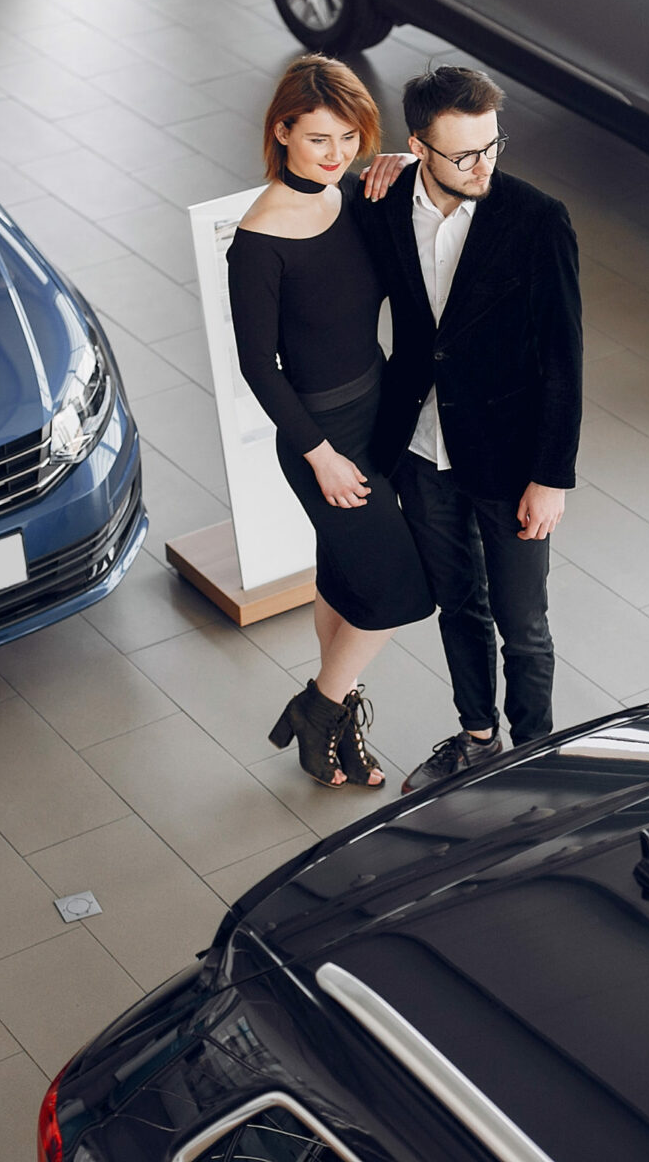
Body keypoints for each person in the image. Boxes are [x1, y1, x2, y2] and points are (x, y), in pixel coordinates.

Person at [354, 66, 583, 794]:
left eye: (492, 146)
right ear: (418, 146)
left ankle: (537, 754)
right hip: (420, 452)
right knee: (459, 604)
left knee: (525, 624)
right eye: (463, 154)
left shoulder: (538, 218)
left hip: (513, 459)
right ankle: (479, 738)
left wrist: (551, 477)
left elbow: (564, 357)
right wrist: (370, 165)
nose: (483, 166)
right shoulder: (383, 206)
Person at [227, 56, 433, 789]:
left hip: (378, 411)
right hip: (323, 439)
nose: (337, 153)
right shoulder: (257, 240)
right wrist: (320, 455)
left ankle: (335, 725)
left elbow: (437, 199)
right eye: (319, 138)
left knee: (345, 578)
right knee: (402, 588)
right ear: (281, 131)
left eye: (349, 137)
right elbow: (259, 366)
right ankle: (320, 706)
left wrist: (407, 163)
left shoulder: (355, 197)